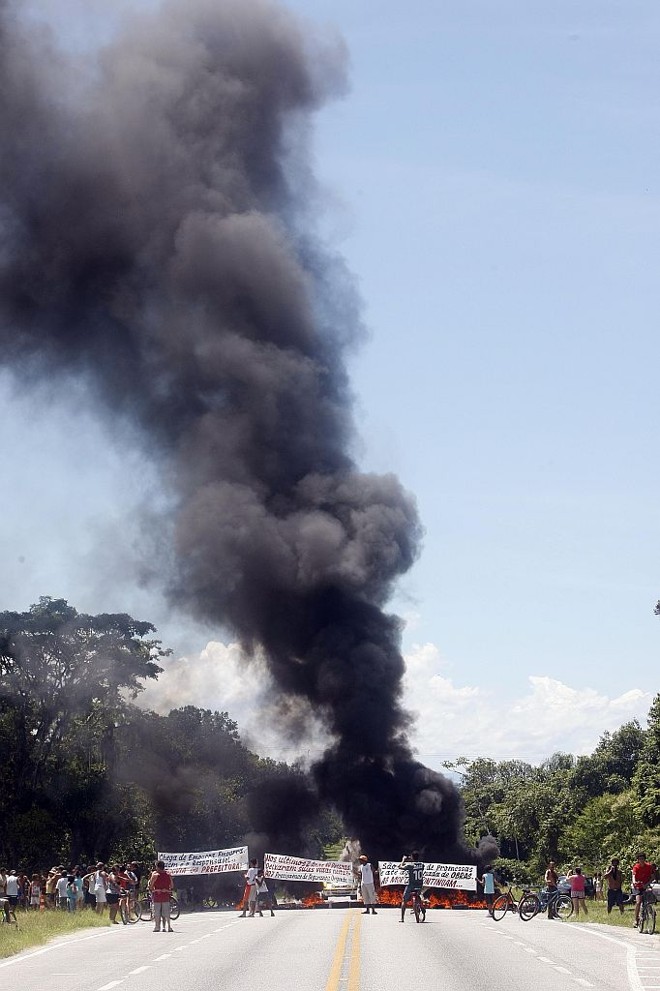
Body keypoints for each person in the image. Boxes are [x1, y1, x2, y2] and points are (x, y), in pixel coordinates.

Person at [632, 852, 657, 928]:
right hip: (638, 887)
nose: (641, 860)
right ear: (638, 860)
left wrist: (648, 883)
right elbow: (633, 876)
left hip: (646, 885)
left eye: (643, 859)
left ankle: (650, 912)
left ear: (644, 859)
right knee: (639, 902)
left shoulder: (649, 866)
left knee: (649, 900)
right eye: (640, 859)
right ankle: (636, 919)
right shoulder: (636, 867)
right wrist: (634, 882)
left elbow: (653, 877)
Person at [148, 860, 174, 932]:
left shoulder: (155, 875)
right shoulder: (168, 875)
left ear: (157, 867)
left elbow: (150, 886)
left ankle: (157, 927)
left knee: (157, 912)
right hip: (166, 895)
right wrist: (166, 889)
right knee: (166, 912)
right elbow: (172, 886)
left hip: (157, 895)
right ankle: (168, 926)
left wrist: (156, 890)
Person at [399, 852, 425, 923]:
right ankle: (421, 906)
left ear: (412, 857)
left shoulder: (410, 865)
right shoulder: (422, 865)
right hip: (419, 885)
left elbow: (400, 867)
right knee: (420, 894)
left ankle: (402, 918)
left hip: (411, 885)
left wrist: (403, 860)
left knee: (404, 900)